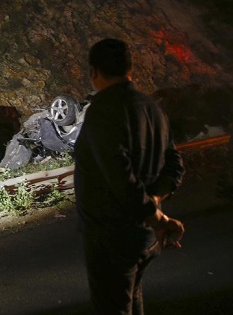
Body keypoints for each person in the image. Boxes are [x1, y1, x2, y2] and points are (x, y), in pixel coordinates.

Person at [74, 38, 186, 315]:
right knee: (133, 299)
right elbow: (175, 164)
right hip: (144, 237)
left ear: (93, 72)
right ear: (130, 69)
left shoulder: (102, 112)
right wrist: (156, 202)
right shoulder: (152, 108)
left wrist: (155, 215)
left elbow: (119, 176)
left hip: (112, 236)